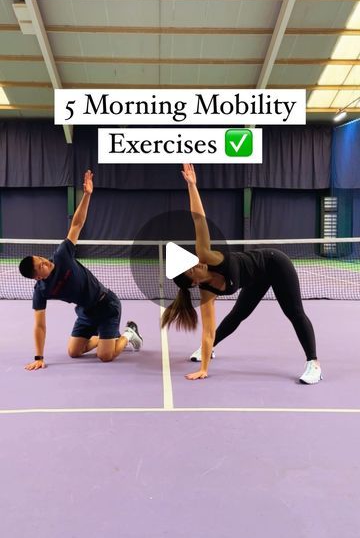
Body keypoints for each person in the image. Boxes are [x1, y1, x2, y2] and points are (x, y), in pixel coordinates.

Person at [161, 163, 322, 385]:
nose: (196, 263)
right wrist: (204, 368)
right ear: (194, 281)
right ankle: (209, 351)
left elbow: (199, 219)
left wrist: (192, 186)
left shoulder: (207, 256)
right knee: (237, 315)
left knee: (294, 313)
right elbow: (207, 331)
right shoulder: (206, 293)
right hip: (255, 278)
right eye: (191, 268)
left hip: (275, 263)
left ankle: (314, 364)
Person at [18, 170, 142, 370]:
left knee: (105, 356)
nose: (44, 262)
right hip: (86, 312)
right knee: (74, 352)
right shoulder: (41, 291)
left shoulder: (62, 256)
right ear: (36, 277)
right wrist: (39, 356)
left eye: (41, 258)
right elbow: (39, 325)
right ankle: (105, 337)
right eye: (40, 265)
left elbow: (76, 224)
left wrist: (87, 195)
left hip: (106, 305)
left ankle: (128, 333)